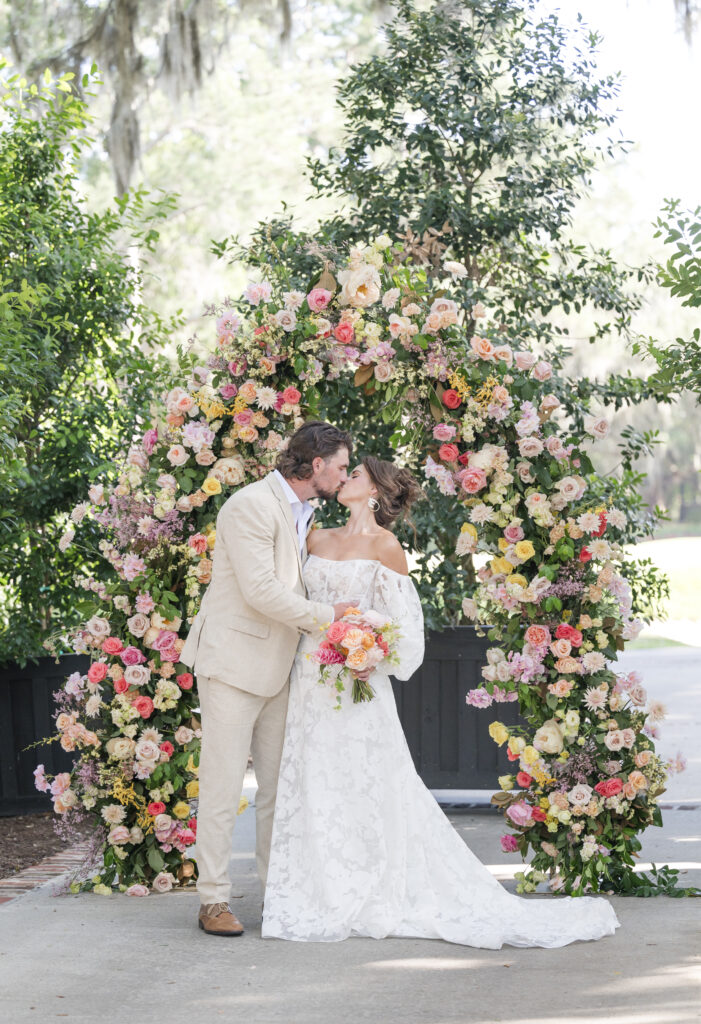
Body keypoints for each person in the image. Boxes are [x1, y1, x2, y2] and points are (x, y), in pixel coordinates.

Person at [262, 456, 620, 948]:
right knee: (313, 780)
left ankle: (368, 884)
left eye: (356, 474)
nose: (344, 478)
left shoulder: (387, 548)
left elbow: (404, 630)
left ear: (375, 491)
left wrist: (371, 655)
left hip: (355, 683)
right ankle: (318, 886)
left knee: (366, 782)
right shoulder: (315, 538)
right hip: (308, 678)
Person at [180, 421, 355, 937]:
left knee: (278, 789)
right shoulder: (249, 506)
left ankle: (277, 894)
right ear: (317, 464)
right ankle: (212, 901)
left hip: (281, 669)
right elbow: (259, 591)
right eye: (342, 467)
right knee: (221, 786)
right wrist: (331, 617)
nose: (345, 477)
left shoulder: (306, 511)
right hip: (232, 664)